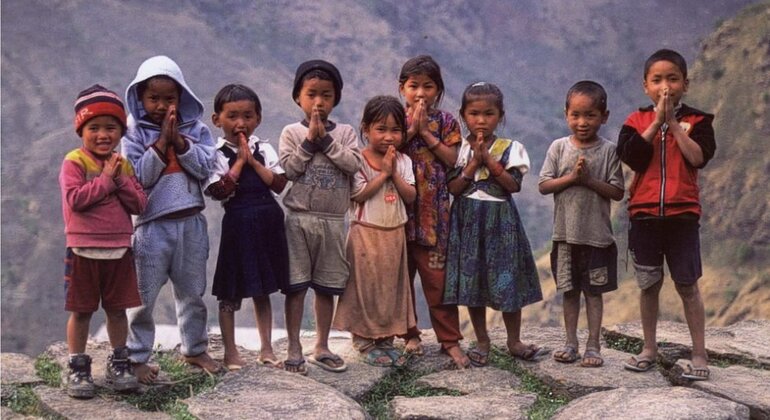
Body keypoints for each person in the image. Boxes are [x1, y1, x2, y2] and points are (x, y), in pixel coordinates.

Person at [617, 49, 716, 380]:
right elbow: (632, 157)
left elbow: (698, 158)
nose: (665, 86)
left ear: (685, 84)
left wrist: (672, 123)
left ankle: (699, 353)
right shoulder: (634, 121)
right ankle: (649, 348)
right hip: (644, 216)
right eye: (657, 79)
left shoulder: (699, 122)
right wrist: (656, 122)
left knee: (688, 285)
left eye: (672, 79)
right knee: (649, 284)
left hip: (682, 216)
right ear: (645, 85)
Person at [121, 55, 219, 383]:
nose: (162, 106)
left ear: (182, 98)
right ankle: (136, 356)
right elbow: (138, 178)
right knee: (142, 296)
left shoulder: (196, 131)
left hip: (191, 222)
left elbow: (206, 168)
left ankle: (194, 347)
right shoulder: (132, 135)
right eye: (154, 98)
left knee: (192, 292)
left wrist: (179, 141)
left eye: (169, 98)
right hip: (150, 226)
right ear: (139, 98)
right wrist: (162, 143)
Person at [444, 82, 545, 367]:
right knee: (472, 282)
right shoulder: (459, 149)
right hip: (467, 220)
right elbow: (453, 188)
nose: (481, 120)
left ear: (500, 116)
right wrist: (474, 164)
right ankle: (482, 340)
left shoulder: (511, 149)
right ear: (463, 115)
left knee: (507, 279)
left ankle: (514, 341)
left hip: (501, 222)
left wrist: (488, 158)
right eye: (474, 114)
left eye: (489, 114)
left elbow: (512, 185)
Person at [59, 85, 147, 398]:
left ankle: (119, 362)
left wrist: (119, 179)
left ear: (121, 131)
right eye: (93, 128)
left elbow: (139, 204)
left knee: (117, 309)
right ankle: (78, 366)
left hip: (118, 249)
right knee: (81, 311)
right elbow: (76, 200)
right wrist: (106, 181)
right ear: (81, 129)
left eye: (111, 128)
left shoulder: (122, 165)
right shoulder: (74, 162)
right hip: (83, 249)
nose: (102, 135)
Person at [278, 59, 363, 375]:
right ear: (298, 97)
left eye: (326, 95)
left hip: (332, 220)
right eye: (311, 94)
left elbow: (353, 165)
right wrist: (309, 141)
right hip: (298, 219)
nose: (318, 102)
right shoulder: (291, 132)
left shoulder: (345, 133)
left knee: (326, 286)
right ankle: (293, 346)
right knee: (296, 286)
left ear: (335, 98)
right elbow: (288, 169)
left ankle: (322, 344)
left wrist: (325, 141)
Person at [539, 81, 624, 368]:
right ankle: (571, 342)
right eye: (576, 115)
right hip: (564, 237)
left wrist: (589, 181)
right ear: (566, 114)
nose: (582, 122)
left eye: (590, 115)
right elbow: (544, 185)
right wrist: (573, 179)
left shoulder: (609, 151)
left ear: (604, 116)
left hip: (597, 238)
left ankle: (593, 346)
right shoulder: (559, 148)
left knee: (594, 293)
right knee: (570, 291)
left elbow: (617, 191)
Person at [204, 84, 289, 371]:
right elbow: (219, 190)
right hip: (238, 224)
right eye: (232, 116)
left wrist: (252, 159)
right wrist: (239, 163)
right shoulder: (214, 154)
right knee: (230, 290)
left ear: (258, 118)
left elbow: (278, 183)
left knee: (262, 288)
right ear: (217, 120)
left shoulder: (263, 149)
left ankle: (266, 349)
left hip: (267, 221)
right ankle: (230, 352)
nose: (240, 123)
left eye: (248, 116)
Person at [332, 96, 417, 368]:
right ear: (365, 129)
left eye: (396, 130)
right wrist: (383, 174)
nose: (389, 137)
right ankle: (364, 340)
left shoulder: (403, 161)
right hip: (365, 232)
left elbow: (411, 196)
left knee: (390, 288)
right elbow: (358, 194)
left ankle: (386, 339)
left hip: (395, 232)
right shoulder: (358, 159)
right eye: (381, 129)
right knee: (364, 287)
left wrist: (394, 173)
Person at [397, 55, 469, 369]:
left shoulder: (447, 122)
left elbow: (453, 159)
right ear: (402, 89)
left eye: (428, 86)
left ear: (438, 90)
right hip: (397, 213)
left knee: (438, 280)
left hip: (434, 216)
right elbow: (386, 149)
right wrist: (412, 128)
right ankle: (409, 334)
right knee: (401, 278)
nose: (421, 93)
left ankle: (449, 340)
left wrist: (426, 133)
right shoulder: (394, 117)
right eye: (414, 86)